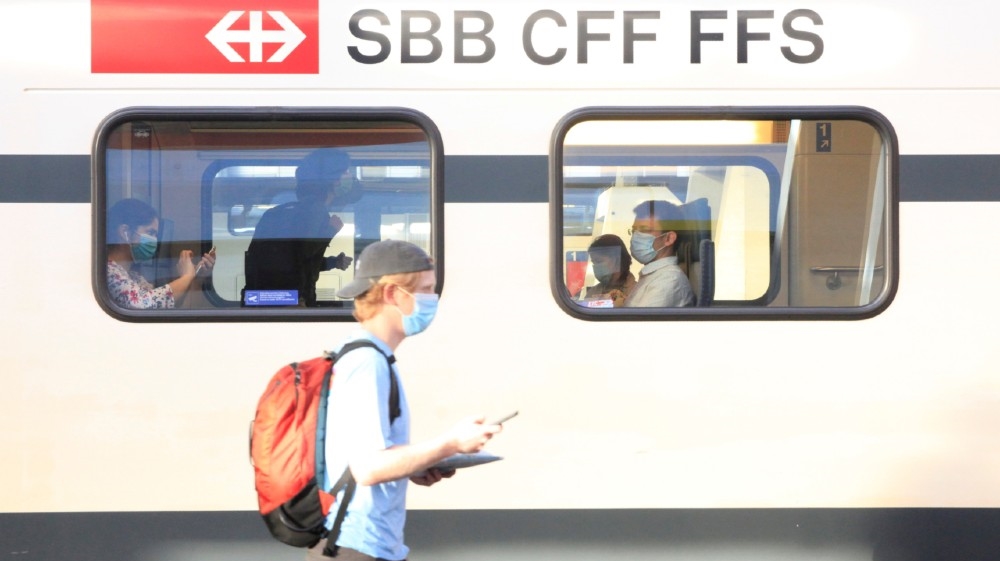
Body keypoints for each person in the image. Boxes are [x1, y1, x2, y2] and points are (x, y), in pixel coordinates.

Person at [309, 240, 502, 561]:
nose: (432, 298)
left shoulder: (366, 354)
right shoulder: (368, 363)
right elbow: (368, 467)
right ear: (392, 294)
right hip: (357, 547)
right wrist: (451, 444)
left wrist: (416, 465)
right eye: (425, 289)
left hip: (366, 544)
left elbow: (363, 455)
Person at [243, 148, 355, 307]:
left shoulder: (286, 212)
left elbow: (296, 260)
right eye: (345, 172)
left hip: (269, 300)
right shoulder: (315, 211)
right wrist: (330, 231)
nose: (349, 176)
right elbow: (300, 256)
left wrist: (333, 262)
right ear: (333, 179)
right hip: (292, 304)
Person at [106, 198, 215, 309]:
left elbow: (164, 305)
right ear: (125, 232)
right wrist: (186, 276)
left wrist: (195, 277)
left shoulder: (134, 277)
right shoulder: (108, 271)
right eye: (150, 233)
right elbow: (142, 304)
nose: (154, 240)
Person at [623, 200, 695, 308]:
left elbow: (638, 323)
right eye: (634, 231)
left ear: (669, 238)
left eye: (645, 230)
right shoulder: (654, 275)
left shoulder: (669, 280)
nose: (635, 236)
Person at [581, 234, 636, 307]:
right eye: (594, 262)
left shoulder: (637, 291)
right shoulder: (593, 292)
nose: (596, 266)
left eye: (599, 261)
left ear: (616, 259)